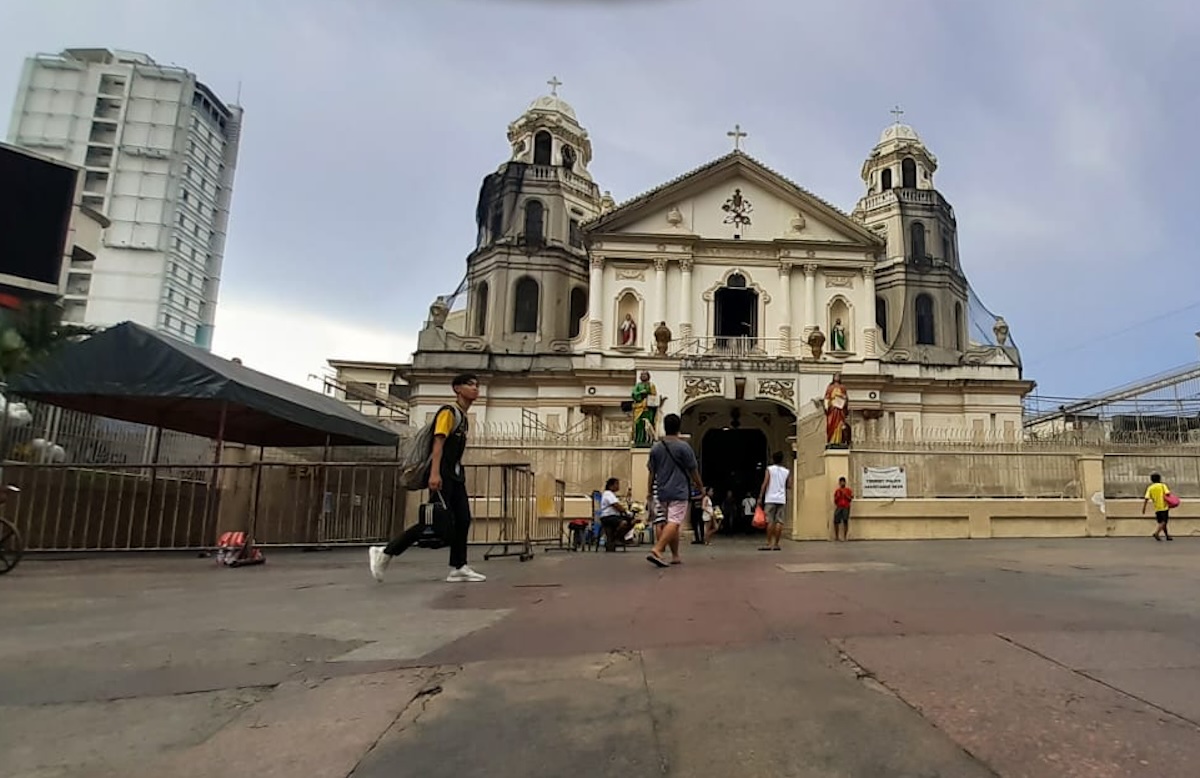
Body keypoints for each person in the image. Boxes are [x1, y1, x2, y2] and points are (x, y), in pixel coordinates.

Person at [368, 374, 486, 583]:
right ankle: (385, 551)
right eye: (470, 384)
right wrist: (434, 473)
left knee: (463, 519)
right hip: (443, 474)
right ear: (457, 389)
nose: (475, 388)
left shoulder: (463, 416)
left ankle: (458, 567)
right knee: (433, 520)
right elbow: (437, 443)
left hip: (456, 475)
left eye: (477, 385)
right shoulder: (449, 413)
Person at [646, 413, 703, 568]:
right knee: (675, 522)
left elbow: (652, 472)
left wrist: (650, 491)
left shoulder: (656, 448)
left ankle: (675, 555)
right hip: (679, 490)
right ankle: (658, 549)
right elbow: (693, 470)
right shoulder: (684, 447)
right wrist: (700, 486)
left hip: (662, 490)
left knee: (667, 523)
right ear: (679, 427)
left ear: (665, 427)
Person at [758, 452, 791, 551]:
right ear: (782, 460)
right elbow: (789, 485)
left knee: (770, 521)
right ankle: (776, 544)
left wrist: (760, 496)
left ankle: (769, 543)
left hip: (770, 498)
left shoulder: (770, 469)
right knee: (779, 521)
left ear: (773, 459)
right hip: (781, 499)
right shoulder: (786, 471)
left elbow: (765, 483)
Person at [598, 477, 632, 551]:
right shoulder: (608, 494)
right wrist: (626, 512)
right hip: (608, 517)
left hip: (614, 516)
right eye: (617, 484)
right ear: (611, 485)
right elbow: (616, 505)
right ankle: (616, 538)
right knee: (624, 523)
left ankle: (617, 537)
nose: (618, 486)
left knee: (633, 521)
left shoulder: (612, 494)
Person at [1142, 472, 1173, 542]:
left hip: (1157, 508)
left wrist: (1144, 508)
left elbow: (1146, 498)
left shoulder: (1150, 488)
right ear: (1159, 479)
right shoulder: (1162, 486)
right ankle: (1156, 533)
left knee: (1162, 522)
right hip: (1164, 506)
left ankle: (1167, 535)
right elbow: (1168, 494)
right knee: (1164, 521)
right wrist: (1171, 503)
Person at [631, 371, 659, 447]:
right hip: (639, 408)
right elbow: (634, 394)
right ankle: (639, 441)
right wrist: (641, 393)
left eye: (645, 375)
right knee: (638, 424)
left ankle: (648, 441)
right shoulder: (638, 385)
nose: (643, 376)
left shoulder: (651, 385)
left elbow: (654, 396)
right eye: (642, 375)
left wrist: (648, 393)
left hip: (648, 409)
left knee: (648, 425)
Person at [824, 374, 849, 448]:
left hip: (840, 409)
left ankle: (839, 440)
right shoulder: (830, 387)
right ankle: (831, 440)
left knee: (840, 425)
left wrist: (843, 398)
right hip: (832, 408)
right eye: (835, 376)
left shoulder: (842, 387)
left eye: (838, 376)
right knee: (830, 424)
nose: (837, 378)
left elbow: (846, 398)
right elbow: (827, 397)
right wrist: (827, 405)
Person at [833, 476, 854, 541]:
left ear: (845, 483)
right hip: (839, 507)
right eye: (841, 482)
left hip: (846, 507)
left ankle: (845, 537)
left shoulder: (848, 490)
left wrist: (846, 495)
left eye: (843, 482)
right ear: (839, 483)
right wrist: (838, 497)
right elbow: (835, 501)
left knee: (845, 521)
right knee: (836, 521)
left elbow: (851, 499)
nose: (842, 483)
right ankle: (836, 537)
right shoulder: (837, 491)